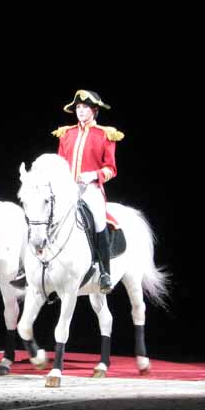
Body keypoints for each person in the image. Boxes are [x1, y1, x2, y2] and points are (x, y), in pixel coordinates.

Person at [53, 89, 124, 293]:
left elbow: (111, 168)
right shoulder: (66, 133)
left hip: (91, 189)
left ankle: (104, 272)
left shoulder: (104, 134)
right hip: (68, 189)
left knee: (99, 222)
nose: (81, 111)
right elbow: (59, 164)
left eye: (85, 107)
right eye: (78, 107)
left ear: (94, 110)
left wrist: (93, 175)